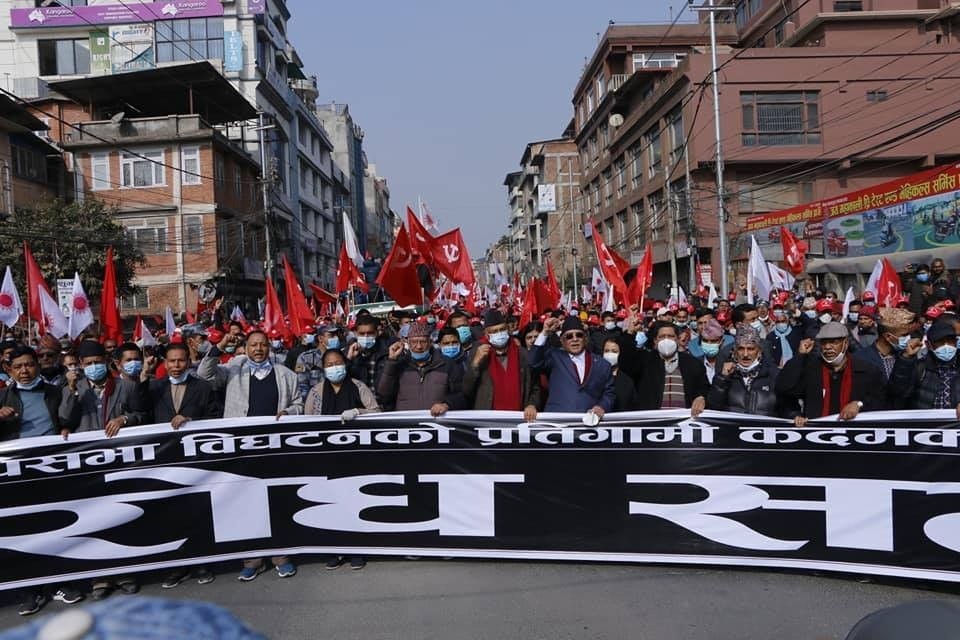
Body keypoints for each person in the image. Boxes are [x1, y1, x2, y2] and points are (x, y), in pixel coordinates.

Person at [197, 329, 302, 581]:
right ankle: (252, 558)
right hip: (242, 449)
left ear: (269, 347)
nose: (258, 349)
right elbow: (204, 375)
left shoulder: (286, 375)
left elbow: (299, 404)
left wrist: (289, 412)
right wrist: (218, 346)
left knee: (277, 500)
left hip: (275, 450)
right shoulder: (234, 371)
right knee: (246, 503)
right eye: (253, 345)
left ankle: (281, 555)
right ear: (246, 348)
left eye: (262, 345)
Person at [148, 342, 221, 590]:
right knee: (170, 515)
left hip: (194, 462)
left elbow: (215, 418)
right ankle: (176, 566)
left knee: (196, 511)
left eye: (181, 360)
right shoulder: (154, 388)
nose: (176, 365)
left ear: (189, 362)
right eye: (172, 361)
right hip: (164, 463)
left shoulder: (202, 387)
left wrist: (192, 421)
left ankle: (202, 563)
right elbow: (142, 414)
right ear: (165, 363)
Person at [303, 347, 380, 572]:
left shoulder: (358, 386)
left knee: (355, 501)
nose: (334, 367)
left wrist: (358, 412)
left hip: (355, 456)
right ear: (323, 368)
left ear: (345, 364)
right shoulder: (316, 392)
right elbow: (306, 421)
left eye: (338, 363)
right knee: (330, 502)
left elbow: (377, 411)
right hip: (326, 456)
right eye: (329, 364)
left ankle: (357, 549)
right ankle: (334, 549)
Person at [776, 321, 887, 424]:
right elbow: (785, 392)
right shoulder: (811, 369)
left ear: (846, 343)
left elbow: (880, 400)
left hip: (854, 433)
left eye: (834, 342)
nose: (828, 347)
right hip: (817, 432)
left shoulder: (866, 370)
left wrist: (859, 404)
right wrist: (795, 415)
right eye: (824, 343)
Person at [527, 315, 614, 418]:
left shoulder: (602, 364)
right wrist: (544, 333)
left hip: (589, 422)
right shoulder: (554, 358)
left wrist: (602, 406)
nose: (575, 339)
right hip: (557, 421)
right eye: (569, 336)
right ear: (562, 341)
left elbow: (609, 393)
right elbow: (533, 362)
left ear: (585, 338)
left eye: (579, 335)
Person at [59, 340, 148, 438]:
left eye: (97, 362)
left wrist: (124, 419)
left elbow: (141, 415)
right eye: (89, 363)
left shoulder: (127, 386)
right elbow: (64, 418)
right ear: (81, 364)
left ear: (105, 360)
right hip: (88, 443)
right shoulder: (73, 389)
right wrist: (72, 390)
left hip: (117, 442)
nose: (94, 366)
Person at [618, 320, 709, 414]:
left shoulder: (693, 363)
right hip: (654, 420)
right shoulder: (645, 360)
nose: (666, 340)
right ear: (655, 341)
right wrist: (629, 333)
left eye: (671, 336)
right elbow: (626, 363)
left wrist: (701, 397)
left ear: (677, 339)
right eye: (662, 337)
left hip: (684, 420)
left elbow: (704, 388)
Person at [463, 309, 540, 419]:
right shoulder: (477, 353)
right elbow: (467, 389)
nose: (499, 333)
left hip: (519, 418)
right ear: (487, 335)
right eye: (494, 331)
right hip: (488, 419)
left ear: (508, 329)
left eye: (502, 329)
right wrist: (475, 364)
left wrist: (532, 404)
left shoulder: (522, 354)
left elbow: (535, 386)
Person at [376, 321, 465, 414]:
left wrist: (447, 404)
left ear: (430, 342)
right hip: (406, 421)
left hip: (436, 419)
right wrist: (391, 361)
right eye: (414, 342)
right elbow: (384, 394)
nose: (419, 346)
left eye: (423, 342)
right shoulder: (400, 364)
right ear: (408, 343)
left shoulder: (447, 364)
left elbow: (461, 394)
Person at [707, 324, 783, 417]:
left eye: (750, 349)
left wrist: (795, 416)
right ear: (735, 351)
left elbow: (787, 407)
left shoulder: (773, 375)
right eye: (741, 349)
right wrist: (722, 379)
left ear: (759, 351)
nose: (745, 354)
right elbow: (713, 407)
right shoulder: (725, 375)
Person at [893, 319, 960, 412]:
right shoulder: (921, 367)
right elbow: (897, 391)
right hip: (925, 420)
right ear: (928, 345)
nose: (946, 346)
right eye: (940, 342)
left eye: (950, 341)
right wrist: (906, 358)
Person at [345, 314, 390, 391]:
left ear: (377, 333)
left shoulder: (387, 352)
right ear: (355, 333)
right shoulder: (348, 352)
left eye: (370, 333)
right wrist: (349, 359)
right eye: (362, 334)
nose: (366, 336)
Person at [602, 338, 639, 411]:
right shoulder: (594, 377)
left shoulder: (627, 381)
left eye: (614, 351)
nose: (610, 354)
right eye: (606, 351)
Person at [766, 302, 803, 369]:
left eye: (783, 321)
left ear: (787, 322)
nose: (780, 324)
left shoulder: (795, 333)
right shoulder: (771, 336)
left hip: (794, 367)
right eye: (778, 322)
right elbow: (768, 355)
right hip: (778, 368)